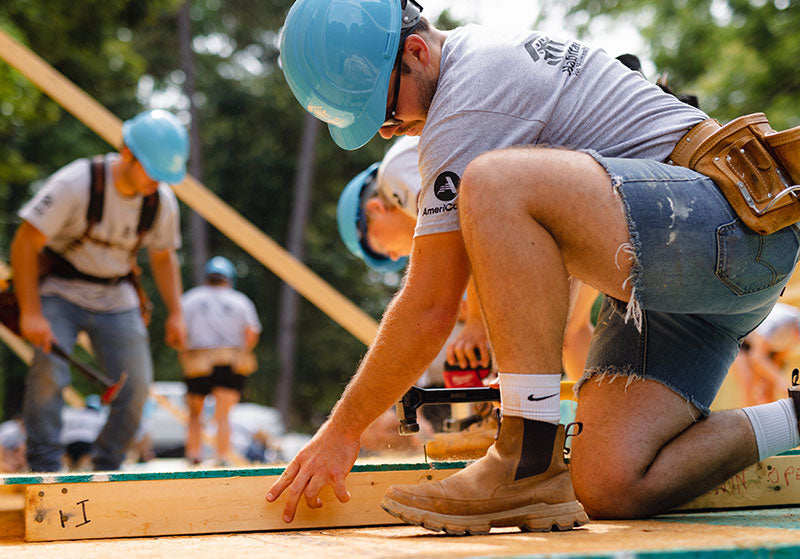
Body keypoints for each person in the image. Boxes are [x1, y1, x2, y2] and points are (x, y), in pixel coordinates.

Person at [272, 0, 800, 535]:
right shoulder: (478, 73)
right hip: (692, 266)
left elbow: (431, 304)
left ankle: (526, 459)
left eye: (385, 111)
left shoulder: (467, 98)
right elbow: (553, 291)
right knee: (611, 480)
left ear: (416, 51)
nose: (388, 132)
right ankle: (794, 418)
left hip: (729, 227)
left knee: (494, 183)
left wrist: (342, 431)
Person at [10, 109, 189, 472]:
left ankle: (107, 466)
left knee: (136, 388)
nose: (158, 181)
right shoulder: (77, 183)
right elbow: (25, 243)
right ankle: (44, 470)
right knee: (49, 375)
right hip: (60, 290)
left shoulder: (160, 202)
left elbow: (162, 257)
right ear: (127, 153)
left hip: (116, 294)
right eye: (152, 171)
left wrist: (176, 312)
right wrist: (30, 311)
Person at [178, 256, 261, 466]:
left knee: (195, 414)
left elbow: (179, 331)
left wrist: (183, 351)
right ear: (229, 278)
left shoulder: (190, 299)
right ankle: (222, 456)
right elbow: (252, 332)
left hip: (199, 357)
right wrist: (245, 350)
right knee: (223, 414)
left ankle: (194, 456)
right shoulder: (240, 300)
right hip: (230, 359)